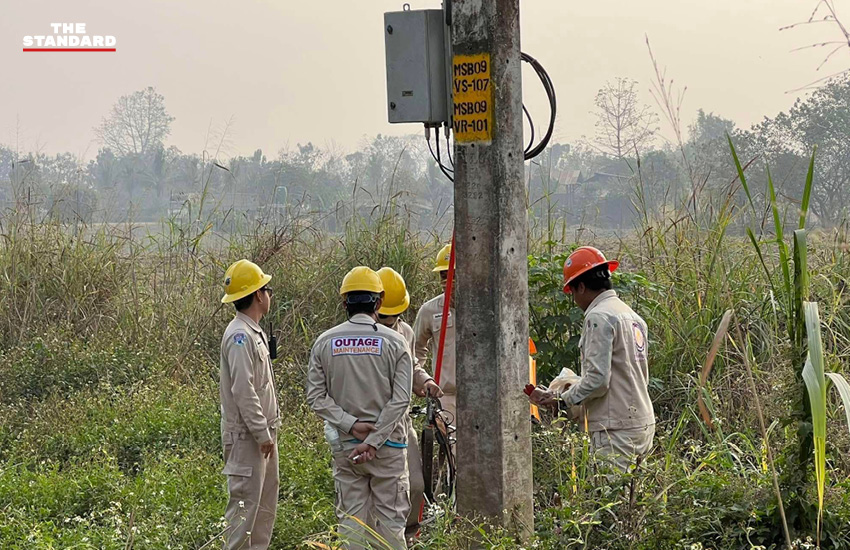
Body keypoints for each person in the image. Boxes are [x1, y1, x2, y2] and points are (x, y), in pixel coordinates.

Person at [306, 266, 413, 550]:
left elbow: (315, 397)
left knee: (351, 522)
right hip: (388, 448)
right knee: (390, 523)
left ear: (345, 304)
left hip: (347, 448)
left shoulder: (324, 342)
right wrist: (375, 441)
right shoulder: (396, 342)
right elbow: (401, 400)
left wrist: (350, 425)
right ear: (378, 302)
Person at [528, 247, 655, 472]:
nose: (575, 300)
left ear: (582, 287)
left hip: (615, 429)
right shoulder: (633, 317)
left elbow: (598, 379)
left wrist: (562, 400)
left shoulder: (598, 317)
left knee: (611, 500)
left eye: (573, 292)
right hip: (641, 423)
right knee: (635, 497)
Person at [375, 267, 443, 543]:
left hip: (401, 423)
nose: (391, 321)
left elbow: (413, 365)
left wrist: (425, 381)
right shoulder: (364, 334)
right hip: (370, 423)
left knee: (415, 485)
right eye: (385, 317)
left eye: (395, 316)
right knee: (375, 491)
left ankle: (408, 535)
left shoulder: (404, 331)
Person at [219, 259, 280, 550]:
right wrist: (261, 433)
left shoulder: (253, 332)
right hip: (249, 439)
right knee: (244, 516)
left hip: (263, 436)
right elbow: (243, 390)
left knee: (262, 512)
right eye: (267, 290)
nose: (269, 296)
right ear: (258, 294)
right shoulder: (239, 336)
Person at [412, 244, 456, 421]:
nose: (447, 281)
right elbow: (416, 348)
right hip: (445, 397)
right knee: (453, 448)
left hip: (482, 395)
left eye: (452, 274)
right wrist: (420, 380)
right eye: (443, 275)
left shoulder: (483, 307)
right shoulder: (430, 310)